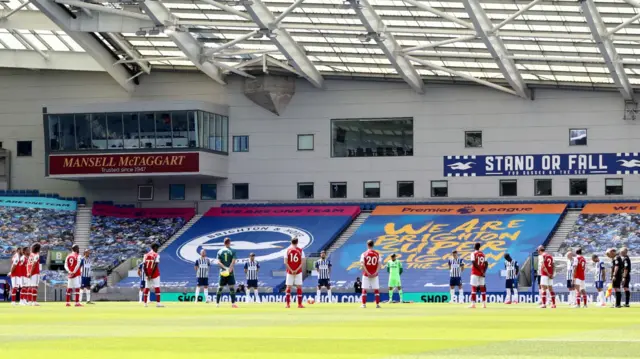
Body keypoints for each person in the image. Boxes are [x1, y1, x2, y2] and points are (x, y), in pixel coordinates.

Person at [360, 239, 383, 309]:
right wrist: (375, 272)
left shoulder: (364, 254)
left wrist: (367, 272)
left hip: (366, 274)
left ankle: (363, 304)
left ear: (367, 245)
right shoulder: (377, 254)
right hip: (375, 274)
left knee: (364, 289)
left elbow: (362, 264)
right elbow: (379, 264)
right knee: (376, 289)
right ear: (373, 245)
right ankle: (377, 304)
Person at [216, 238, 238, 308]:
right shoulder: (232, 251)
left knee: (220, 287)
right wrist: (230, 268)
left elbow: (218, 262)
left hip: (222, 271)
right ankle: (233, 304)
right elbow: (233, 261)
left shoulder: (220, 251)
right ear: (229, 242)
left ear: (224, 243)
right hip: (230, 272)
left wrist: (225, 268)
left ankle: (217, 304)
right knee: (231, 287)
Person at [284, 237, 305, 309]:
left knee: (288, 287)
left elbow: (285, 262)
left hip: (290, 272)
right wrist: (296, 270)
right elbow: (302, 262)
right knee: (299, 287)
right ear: (297, 242)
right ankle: (299, 304)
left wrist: (291, 270)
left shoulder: (287, 250)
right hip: (298, 272)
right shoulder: (301, 250)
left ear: (291, 242)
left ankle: (288, 304)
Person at [142, 243, 164, 308]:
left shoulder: (146, 255)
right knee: (157, 287)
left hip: (147, 275)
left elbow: (144, 266)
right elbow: (155, 265)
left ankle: (145, 303)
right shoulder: (156, 255)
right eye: (157, 248)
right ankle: (158, 303)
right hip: (155, 274)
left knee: (147, 288)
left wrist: (147, 275)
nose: (157, 249)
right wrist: (151, 275)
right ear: (154, 248)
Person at [469, 242, 487, 309]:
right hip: (482, 274)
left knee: (474, 288)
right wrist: (484, 271)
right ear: (479, 247)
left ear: (474, 247)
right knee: (482, 288)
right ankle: (484, 304)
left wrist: (480, 270)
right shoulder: (483, 254)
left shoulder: (473, 253)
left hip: (475, 272)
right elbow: (486, 264)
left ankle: (473, 304)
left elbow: (474, 263)